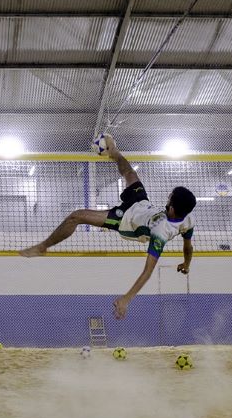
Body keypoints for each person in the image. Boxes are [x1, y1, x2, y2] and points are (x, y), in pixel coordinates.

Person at [20, 135, 196, 319]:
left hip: (126, 220)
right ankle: (114, 152)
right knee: (130, 173)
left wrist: (126, 299)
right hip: (142, 205)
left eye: (170, 197)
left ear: (172, 209)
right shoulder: (189, 218)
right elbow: (188, 247)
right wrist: (186, 264)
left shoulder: (160, 233)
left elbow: (148, 272)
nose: (168, 196)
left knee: (76, 216)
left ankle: (42, 247)